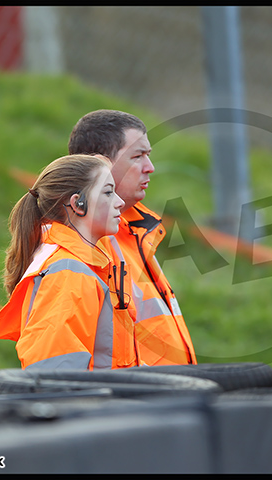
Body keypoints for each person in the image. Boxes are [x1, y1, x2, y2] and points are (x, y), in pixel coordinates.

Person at [68, 109, 197, 366]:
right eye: (138, 156)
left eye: (148, 155)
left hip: (166, 399)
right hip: (132, 403)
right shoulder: (82, 246)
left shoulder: (134, 231)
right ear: (99, 163)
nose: (150, 168)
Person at [0, 154, 130, 369]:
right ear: (77, 204)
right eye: (108, 192)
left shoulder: (70, 265)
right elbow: (55, 376)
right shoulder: (69, 273)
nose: (120, 202)